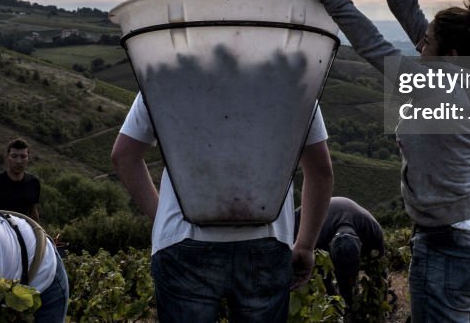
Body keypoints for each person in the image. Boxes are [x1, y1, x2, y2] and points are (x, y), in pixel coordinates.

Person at [274, 0, 470, 323]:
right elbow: (409, 9)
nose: (421, 44)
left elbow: (371, 43)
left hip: (447, 247)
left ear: (450, 56)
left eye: (429, 42)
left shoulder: (435, 85)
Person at [111, 92, 333, 323]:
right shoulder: (292, 81)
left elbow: (124, 156)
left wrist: (164, 220)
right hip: (267, 241)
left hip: (183, 241)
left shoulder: (164, 76)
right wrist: (306, 245)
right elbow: (320, 171)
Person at [294, 196, 385, 313]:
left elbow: (379, 267)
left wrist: (377, 293)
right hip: (305, 217)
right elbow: (322, 276)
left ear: (361, 244)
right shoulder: (317, 236)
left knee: (347, 283)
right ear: (329, 244)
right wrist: (335, 300)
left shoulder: (373, 231)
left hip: (339, 214)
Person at [0, 138, 41, 223]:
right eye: (14, 156)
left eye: (23, 156)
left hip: (24, 233)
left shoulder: (33, 182)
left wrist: (41, 234)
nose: (19, 161)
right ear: (7, 157)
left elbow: (33, 211)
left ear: (28, 158)